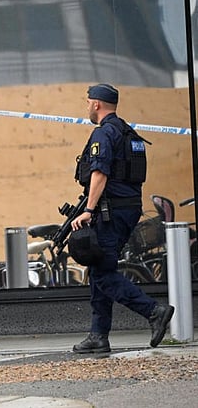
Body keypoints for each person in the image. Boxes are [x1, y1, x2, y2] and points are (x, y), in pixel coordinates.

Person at [69, 84, 173, 353]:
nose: (87, 107)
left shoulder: (104, 133)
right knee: (99, 268)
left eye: (88, 102)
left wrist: (88, 210)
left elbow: (99, 174)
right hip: (127, 209)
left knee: (103, 274)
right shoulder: (129, 133)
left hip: (109, 211)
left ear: (96, 105)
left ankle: (153, 311)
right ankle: (98, 335)